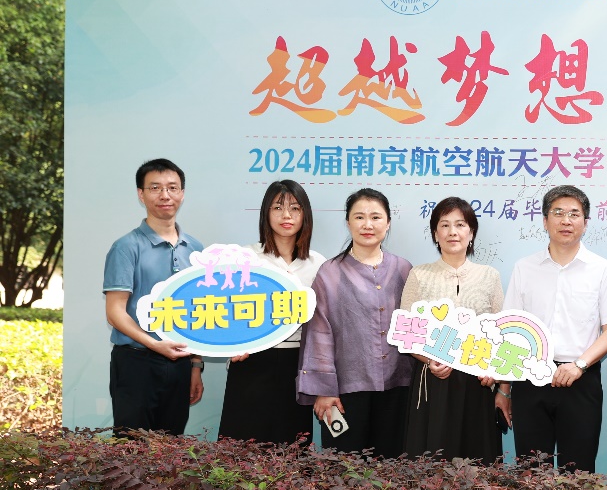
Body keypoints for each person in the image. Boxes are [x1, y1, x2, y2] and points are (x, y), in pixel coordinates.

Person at [502, 185, 607, 473]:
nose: (566, 221)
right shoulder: (524, 268)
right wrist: (504, 389)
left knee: (578, 473)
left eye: (574, 214)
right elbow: (510, 331)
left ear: (585, 223)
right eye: (558, 213)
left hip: (581, 379)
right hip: (529, 379)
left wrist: (579, 365)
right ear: (545, 221)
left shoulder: (602, 269)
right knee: (532, 472)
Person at [298, 188, 412, 457]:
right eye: (359, 217)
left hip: (398, 386)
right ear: (348, 222)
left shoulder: (404, 269)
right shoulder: (330, 272)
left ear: (388, 223)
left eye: (376, 217)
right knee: (346, 466)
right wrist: (324, 389)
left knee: (394, 465)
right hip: (345, 390)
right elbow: (319, 333)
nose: (367, 225)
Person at [398, 197, 507, 463]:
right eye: (444, 225)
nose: (452, 232)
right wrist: (430, 360)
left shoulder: (490, 275)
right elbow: (406, 334)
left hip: (478, 382)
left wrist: (496, 376)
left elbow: (500, 335)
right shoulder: (419, 274)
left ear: (471, 232)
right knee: (432, 461)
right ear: (436, 234)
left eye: (460, 224)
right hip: (434, 380)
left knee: (477, 462)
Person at [103, 158, 205, 437]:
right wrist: (155, 344)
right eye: (155, 188)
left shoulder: (196, 249)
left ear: (182, 193)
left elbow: (199, 312)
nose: (165, 195)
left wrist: (196, 366)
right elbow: (114, 311)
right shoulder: (126, 247)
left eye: (172, 187)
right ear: (141, 194)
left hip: (181, 363)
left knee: (171, 447)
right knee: (132, 447)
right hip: (136, 362)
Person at [219, 180, 325, 445]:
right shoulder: (245, 258)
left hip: (297, 365)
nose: (286, 215)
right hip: (253, 361)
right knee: (242, 449)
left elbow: (324, 323)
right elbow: (223, 310)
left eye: (295, 208)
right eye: (278, 208)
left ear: (305, 215)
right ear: (265, 213)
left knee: (292, 448)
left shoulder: (319, 264)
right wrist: (231, 343)